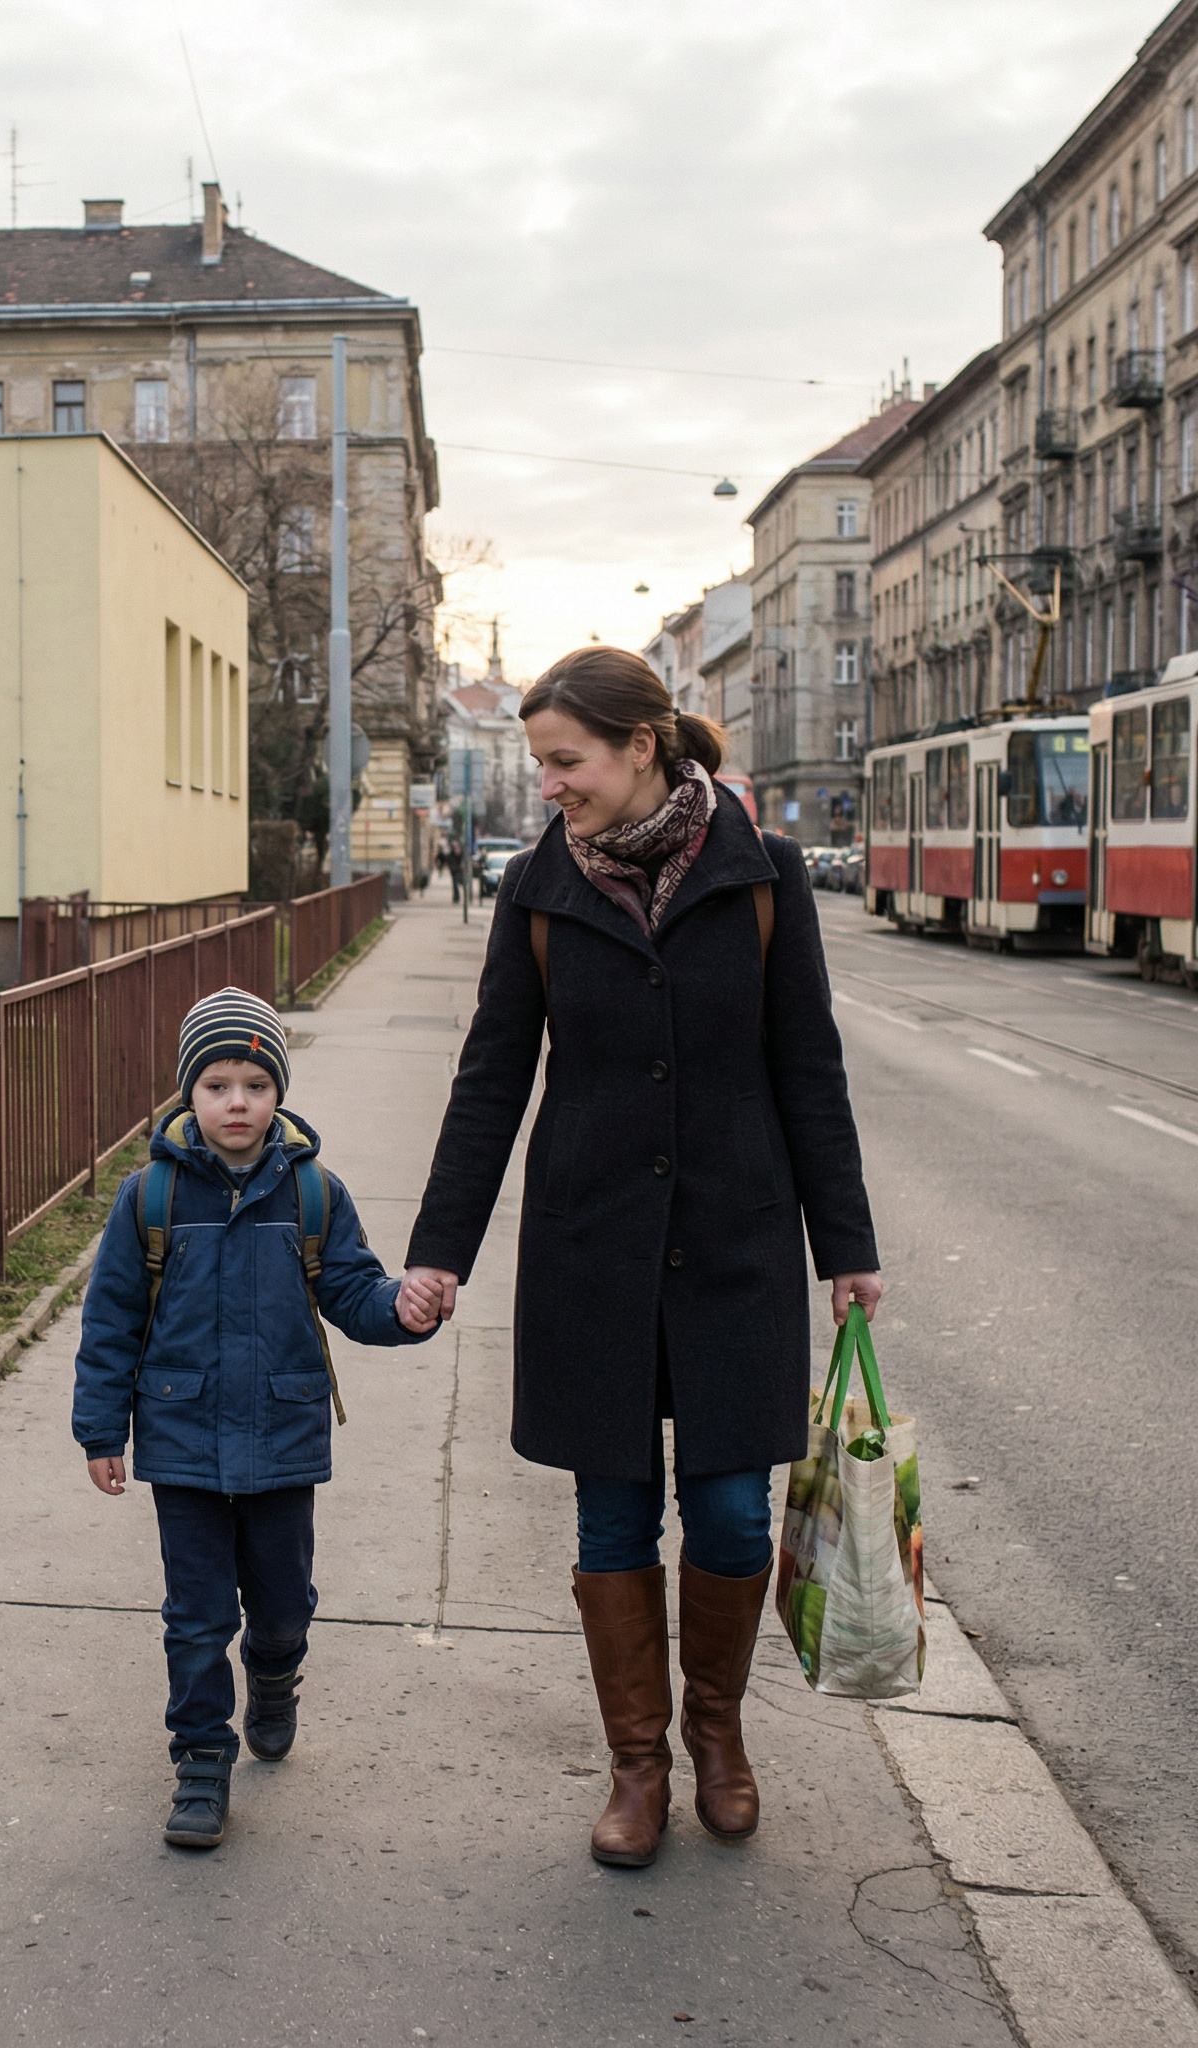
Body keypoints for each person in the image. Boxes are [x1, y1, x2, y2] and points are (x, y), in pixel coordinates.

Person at [401, 647, 883, 1870]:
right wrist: (439, 1250)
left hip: (733, 1239)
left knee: (728, 1508)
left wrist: (847, 1245)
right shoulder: (533, 887)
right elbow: (491, 1074)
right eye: (540, 765)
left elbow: (807, 1068)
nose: (550, 785)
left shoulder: (762, 873)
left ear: (642, 746)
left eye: (565, 761)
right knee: (610, 1504)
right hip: (591, 1244)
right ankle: (637, 1762)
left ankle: (716, 1735)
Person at [73, 986, 440, 1849]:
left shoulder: (314, 1194)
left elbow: (351, 1290)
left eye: (254, 1084)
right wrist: (101, 1431)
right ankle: (202, 1759)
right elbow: (111, 1321)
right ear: (187, 1095)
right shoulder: (149, 1199)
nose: (236, 1102)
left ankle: (275, 1677)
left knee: (280, 1605)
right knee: (195, 1613)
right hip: (183, 1440)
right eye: (216, 1085)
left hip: (282, 1440)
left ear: (278, 1093)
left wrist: (403, 1310)